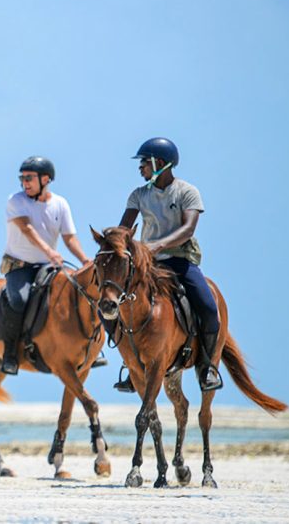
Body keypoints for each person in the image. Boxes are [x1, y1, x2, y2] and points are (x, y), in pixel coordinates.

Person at [110, 137, 222, 392]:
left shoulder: (187, 192)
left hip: (180, 261)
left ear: (159, 163)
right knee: (112, 301)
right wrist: (111, 243)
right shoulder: (138, 195)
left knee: (207, 307)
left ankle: (207, 367)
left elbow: (188, 229)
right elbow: (124, 229)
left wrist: (158, 245)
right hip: (148, 265)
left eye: (144, 162)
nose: (140, 167)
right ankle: (130, 364)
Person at [0, 156, 98, 375]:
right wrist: (50, 252)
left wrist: (85, 260)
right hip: (20, 267)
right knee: (19, 300)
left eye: (29, 178)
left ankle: (92, 348)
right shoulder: (16, 201)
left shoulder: (60, 204)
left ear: (45, 179)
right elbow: (27, 230)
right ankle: (10, 354)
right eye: (22, 178)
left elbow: (69, 238)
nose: (24, 182)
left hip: (48, 266)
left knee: (82, 291)